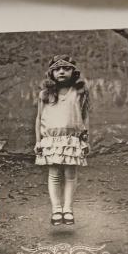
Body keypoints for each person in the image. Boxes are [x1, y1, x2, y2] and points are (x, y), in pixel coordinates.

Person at [34, 55, 90, 226]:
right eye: (57, 69)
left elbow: (84, 116)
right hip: (51, 139)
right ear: (51, 73)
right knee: (54, 174)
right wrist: (38, 141)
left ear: (74, 72)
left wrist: (85, 139)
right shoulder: (45, 94)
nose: (61, 72)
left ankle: (68, 209)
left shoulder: (79, 92)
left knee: (70, 175)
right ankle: (56, 210)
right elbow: (39, 118)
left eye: (66, 68)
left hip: (72, 139)